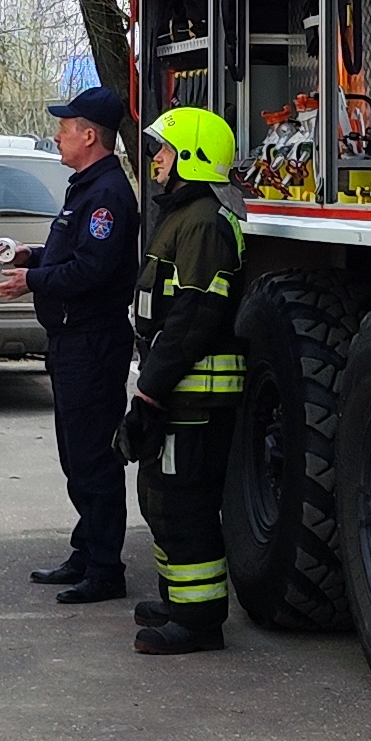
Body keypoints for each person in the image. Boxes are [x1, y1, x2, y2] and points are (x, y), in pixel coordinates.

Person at [0, 84, 143, 605]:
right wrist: (33, 255)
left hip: (92, 340)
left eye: (64, 126)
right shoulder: (86, 185)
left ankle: (105, 568)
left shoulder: (105, 194)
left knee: (93, 456)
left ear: (89, 135)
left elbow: (94, 269)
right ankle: (87, 548)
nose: (56, 134)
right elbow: (73, 251)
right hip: (72, 339)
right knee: (74, 454)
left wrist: (29, 282)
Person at [125, 106, 253, 655]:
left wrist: (151, 393)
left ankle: (199, 622)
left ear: (193, 159)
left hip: (195, 397)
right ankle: (180, 600)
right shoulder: (184, 215)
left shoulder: (202, 222)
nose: (157, 159)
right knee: (158, 495)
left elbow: (194, 319)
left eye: (166, 151)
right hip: (176, 390)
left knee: (183, 502)